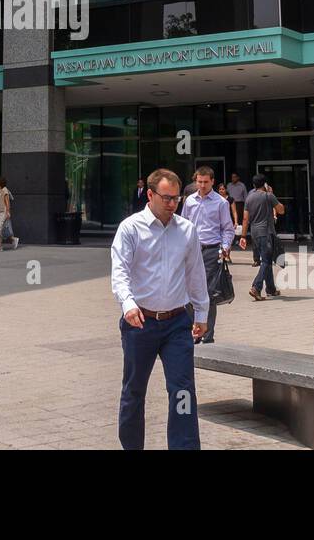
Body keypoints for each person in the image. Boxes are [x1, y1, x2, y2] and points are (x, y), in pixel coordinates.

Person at [110, 168, 208, 451]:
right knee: (134, 391)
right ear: (150, 194)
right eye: (166, 198)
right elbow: (120, 273)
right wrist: (128, 305)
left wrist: (201, 314)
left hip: (177, 322)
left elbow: (196, 274)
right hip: (140, 322)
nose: (172, 204)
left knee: (182, 391)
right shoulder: (130, 228)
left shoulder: (186, 230)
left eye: (176, 198)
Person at [183, 166, 234, 345]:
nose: (202, 185)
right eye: (199, 181)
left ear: (212, 181)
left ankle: (207, 334)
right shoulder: (189, 201)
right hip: (191, 250)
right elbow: (182, 225)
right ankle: (194, 330)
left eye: (205, 182)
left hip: (212, 251)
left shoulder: (221, 202)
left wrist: (225, 247)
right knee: (189, 292)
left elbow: (227, 229)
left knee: (209, 294)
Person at [241, 174, 284, 300]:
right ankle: (256, 287)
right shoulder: (268, 196)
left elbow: (245, 218)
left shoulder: (249, 198)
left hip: (254, 233)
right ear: (265, 184)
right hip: (265, 232)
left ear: (253, 185)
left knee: (267, 259)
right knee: (266, 261)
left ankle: (271, 289)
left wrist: (243, 236)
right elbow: (281, 210)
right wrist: (272, 193)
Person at [0, 176, 19, 252]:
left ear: (0, 182)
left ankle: (13, 239)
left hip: (3, 211)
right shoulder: (0, 190)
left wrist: (8, 212)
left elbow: (7, 202)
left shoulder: (5, 190)